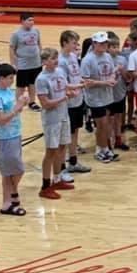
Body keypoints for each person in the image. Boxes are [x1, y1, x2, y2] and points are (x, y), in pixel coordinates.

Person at [0, 63, 29, 216]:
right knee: (16, 169)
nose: (13, 81)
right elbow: (1, 120)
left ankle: (8, 201)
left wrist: (22, 104)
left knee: (9, 172)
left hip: (15, 133)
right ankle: (11, 196)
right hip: (4, 137)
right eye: (10, 78)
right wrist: (17, 107)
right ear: (1, 78)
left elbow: (15, 112)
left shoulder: (8, 92)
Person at [36, 48, 74, 200]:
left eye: (56, 58)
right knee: (51, 152)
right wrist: (64, 98)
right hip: (51, 120)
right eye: (52, 58)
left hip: (63, 115)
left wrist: (82, 85)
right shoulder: (41, 79)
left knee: (62, 147)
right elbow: (45, 104)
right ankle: (45, 186)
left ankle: (57, 179)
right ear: (44, 62)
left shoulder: (60, 72)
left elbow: (66, 87)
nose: (55, 61)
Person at [81, 31, 119, 163]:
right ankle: (100, 149)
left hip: (107, 96)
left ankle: (105, 148)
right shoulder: (88, 60)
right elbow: (86, 81)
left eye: (105, 43)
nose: (104, 45)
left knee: (107, 124)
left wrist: (113, 78)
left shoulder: (107, 56)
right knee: (101, 124)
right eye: (101, 43)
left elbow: (112, 71)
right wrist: (104, 82)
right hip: (95, 98)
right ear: (94, 44)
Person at [58, 30, 89, 175]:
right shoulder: (60, 61)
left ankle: (73, 161)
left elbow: (76, 74)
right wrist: (72, 90)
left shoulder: (72, 56)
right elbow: (62, 83)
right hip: (68, 103)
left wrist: (81, 81)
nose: (76, 45)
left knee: (75, 131)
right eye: (73, 43)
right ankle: (62, 166)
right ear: (65, 43)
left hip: (78, 100)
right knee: (66, 134)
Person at [9, 12, 42, 111]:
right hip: (23, 65)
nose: (32, 22)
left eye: (33, 20)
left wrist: (42, 57)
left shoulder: (36, 31)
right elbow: (11, 48)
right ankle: (18, 103)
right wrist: (13, 64)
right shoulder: (16, 34)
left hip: (36, 63)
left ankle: (32, 102)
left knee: (33, 84)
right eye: (29, 20)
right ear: (22, 21)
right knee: (21, 86)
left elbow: (39, 44)